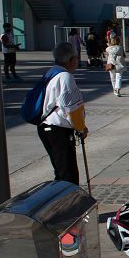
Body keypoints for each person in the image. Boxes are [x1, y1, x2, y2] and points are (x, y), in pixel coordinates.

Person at [37, 42, 87, 185]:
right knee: (68, 175)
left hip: (46, 127)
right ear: (72, 59)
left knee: (61, 171)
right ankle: (66, 204)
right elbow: (72, 108)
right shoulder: (65, 76)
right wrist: (81, 128)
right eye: (77, 58)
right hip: (58, 130)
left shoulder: (51, 72)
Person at [104, 31, 126, 97]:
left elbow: (107, 55)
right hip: (119, 64)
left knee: (112, 78)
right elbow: (123, 55)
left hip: (111, 65)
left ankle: (114, 89)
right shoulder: (120, 48)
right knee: (118, 77)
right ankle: (117, 89)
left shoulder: (108, 49)